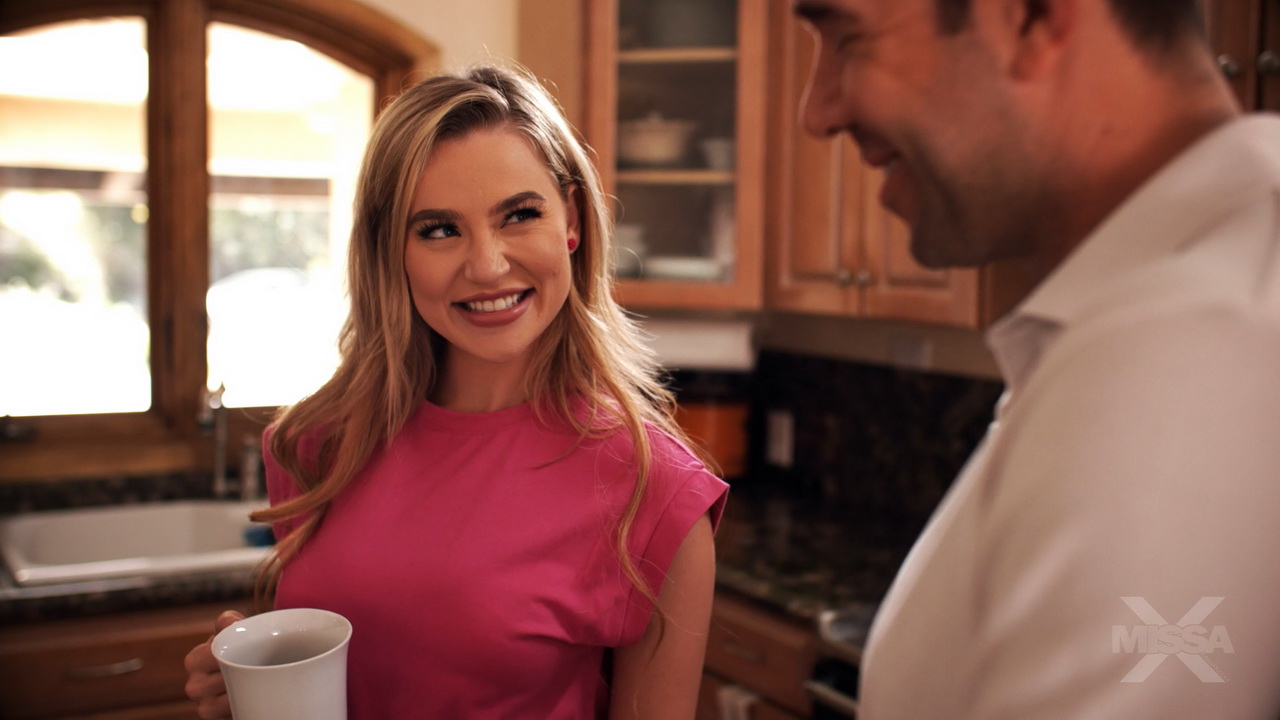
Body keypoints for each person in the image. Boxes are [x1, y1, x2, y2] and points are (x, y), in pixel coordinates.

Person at [183, 63, 728, 720]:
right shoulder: (319, 444)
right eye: (439, 229)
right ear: (393, 250)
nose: (487, 266)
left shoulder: (653, 491)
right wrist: (245, 695)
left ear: (572, 220)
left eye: (519, 215)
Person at [794, 0, 1280, 718]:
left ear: (1033, 17)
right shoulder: (1168, 310)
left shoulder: (1190, 355)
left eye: (847, 38)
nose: (817, 112)